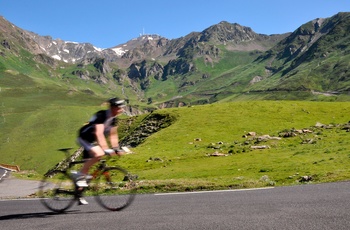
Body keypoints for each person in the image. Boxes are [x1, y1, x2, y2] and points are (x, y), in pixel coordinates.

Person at [74, 97, 126, 204]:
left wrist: (116, 148)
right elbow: (99, 133)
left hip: (92, 141)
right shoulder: (101, 115)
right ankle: (78, 175)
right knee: (99, 154)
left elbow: (113, 135)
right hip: (85, 137)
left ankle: (78, 194)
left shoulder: (114, 119)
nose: (122, 109)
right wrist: (106, 149)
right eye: (120, 107)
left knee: (87, 171)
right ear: (113, 107)